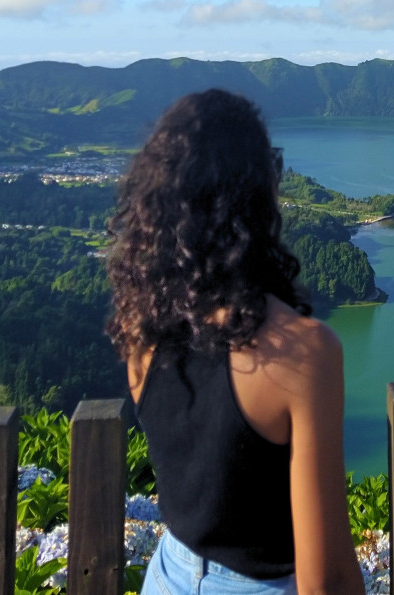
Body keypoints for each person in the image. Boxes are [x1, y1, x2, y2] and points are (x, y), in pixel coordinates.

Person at [106, 89, 365, 594]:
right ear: (259, 195)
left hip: (166, 575)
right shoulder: (303, 352)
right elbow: (326, 578)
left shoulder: (140, 331)